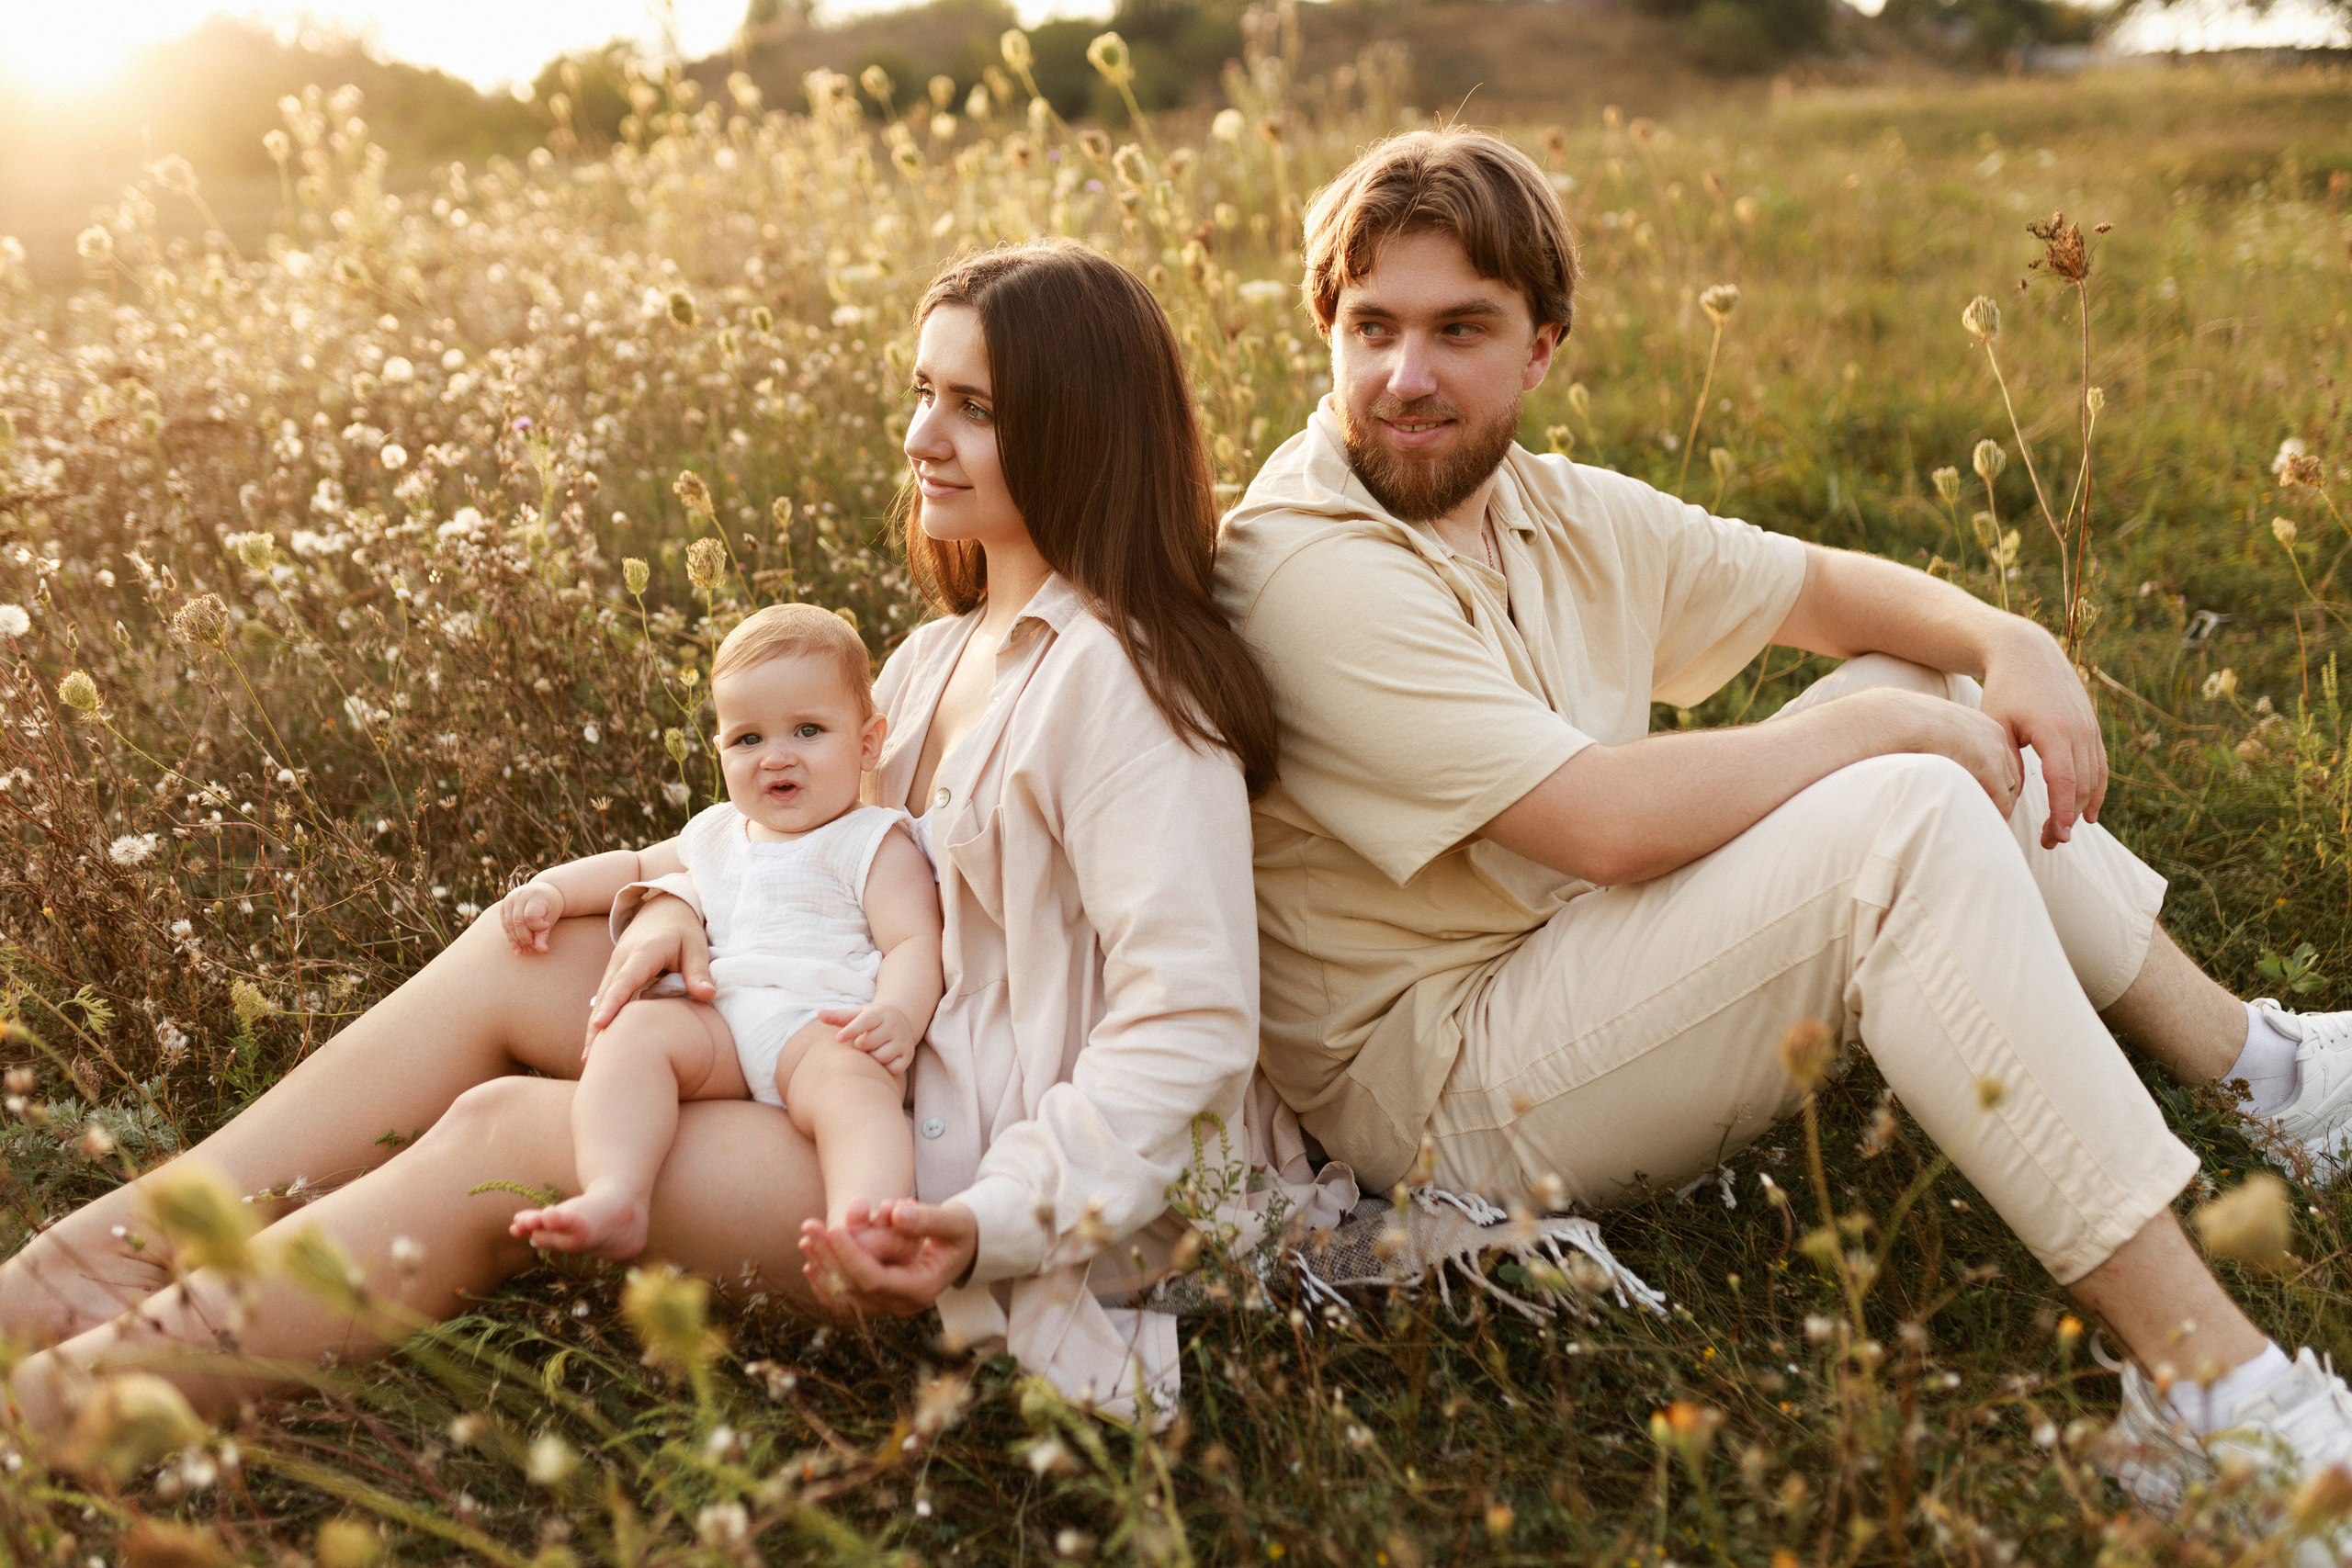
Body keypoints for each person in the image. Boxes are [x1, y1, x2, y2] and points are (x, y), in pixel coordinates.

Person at [1, 238, 1347, 1438]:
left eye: (976, 408)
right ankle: (97, 1255)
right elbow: (822, 849)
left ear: (1078, 429)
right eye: (924, 391)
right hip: (856, 1039)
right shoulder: (944, 653)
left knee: (506, 1136)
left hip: (966, 1159)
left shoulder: (1125, 684)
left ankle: (65, 1410)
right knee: (528, 946)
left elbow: (1193, 1020)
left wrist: (990, 1218)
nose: (923, 435)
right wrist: (675, 910)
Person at [1215, 127, 2352, 1515]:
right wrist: (1875, 733)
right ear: (1325, 331)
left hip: (1564, 962)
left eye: (1462, 328)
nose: (1407, 375)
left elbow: (1820, 585)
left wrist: (2007, 641)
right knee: (1901, 807)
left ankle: (2270, 1077)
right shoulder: (1301, 569)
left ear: (1542, 348)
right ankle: (2217, 1403)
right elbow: (1600, 825)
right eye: (1373, 326)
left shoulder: (1542, 506)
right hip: (1445, 1083)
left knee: (1917, 678)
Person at [500, 603, 943, 1259]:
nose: (776, 757)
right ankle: (616, 1190)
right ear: (720, 749)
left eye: (808, 730)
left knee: (856, 1091)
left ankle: (866, 1221)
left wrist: (898, 1015)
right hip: (721, 1016)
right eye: (748, 739)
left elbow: (914, 941)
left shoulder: (872, 840)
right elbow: (634, 865)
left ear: (869, 742)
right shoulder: (715, 832)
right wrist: (554, 889)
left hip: (819, 1024)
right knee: (634, 1035)